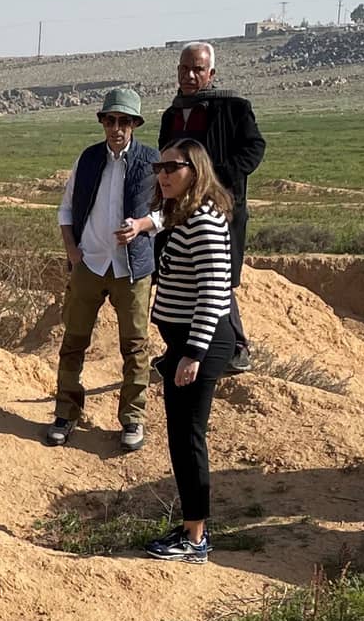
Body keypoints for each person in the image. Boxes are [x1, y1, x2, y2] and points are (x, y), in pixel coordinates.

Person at [142, 141, 238, 562]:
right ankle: (191, 527)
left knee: (187, 438)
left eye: (172, 167)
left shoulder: (202, 221)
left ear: (195, 170)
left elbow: (215, 291)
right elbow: (162, 221)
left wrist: (193, 353)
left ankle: (195, 538)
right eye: (159, 167)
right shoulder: (184, 213)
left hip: (200, 343)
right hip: (183, 342)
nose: (163, 174)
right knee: (182, 436)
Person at [48, 86, 159, 450]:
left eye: (124, 121)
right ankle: (65, 414)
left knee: (135, 346)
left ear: (135, 124)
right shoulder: (88, 159)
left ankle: (132, 418)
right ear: (102, 123)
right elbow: (66, 208)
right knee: (73, 341)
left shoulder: (151, 160)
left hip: (132, 268)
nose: (116, 128)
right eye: (110, 120)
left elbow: (169, 210)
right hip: (90, 263)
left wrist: (142, 226)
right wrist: (71, 250)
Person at [159, 43, 268, 371]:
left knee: (217, 277)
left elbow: (254, 148)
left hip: (222, 208)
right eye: (184, 69)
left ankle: (235, 347)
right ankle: (178, 347)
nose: (190, 75)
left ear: (211, 73)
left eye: (198, 69)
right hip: (179, 211)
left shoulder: (233, 107)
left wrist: (217, 177)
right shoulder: (172, 114)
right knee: (181, 274)